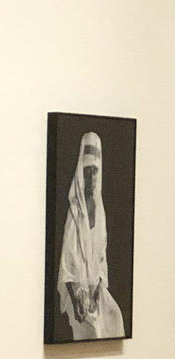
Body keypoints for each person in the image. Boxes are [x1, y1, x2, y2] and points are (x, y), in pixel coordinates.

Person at [57, 131, 125, 339]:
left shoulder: (100, 210)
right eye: (87, 172)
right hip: (77, 291)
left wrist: (96, 292)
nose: (91, 177)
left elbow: (101, 258)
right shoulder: (75, 213)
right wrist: (78, 298)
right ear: (81, 173)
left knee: (115, 316)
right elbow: (67, 265)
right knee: (92, 330)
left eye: (95, 171)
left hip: (95, 289)